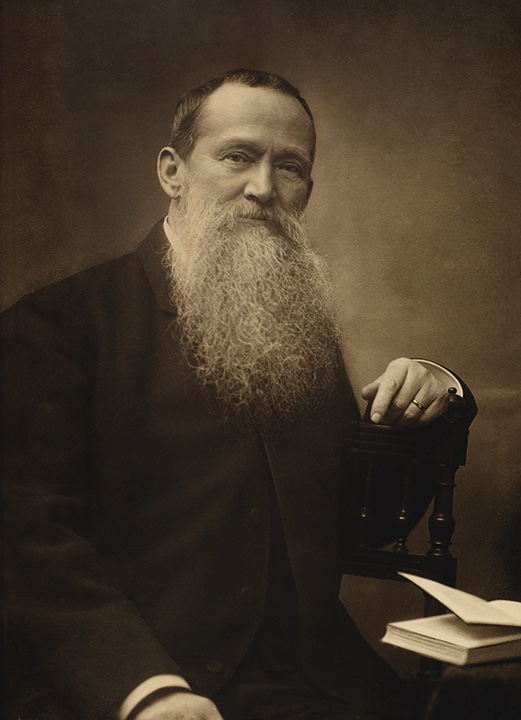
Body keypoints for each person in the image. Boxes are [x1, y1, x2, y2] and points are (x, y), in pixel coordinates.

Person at [2, 69, 476, 720]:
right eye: (237, 156)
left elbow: (356, 520)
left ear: (307, 190)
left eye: (290, 167)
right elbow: (26, 541)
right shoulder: (58, 325)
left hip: (312, 684)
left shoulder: (298, 330)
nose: (263, 188)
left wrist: (436, 392)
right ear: (172, 171)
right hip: (125, 687)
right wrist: (147, 690)